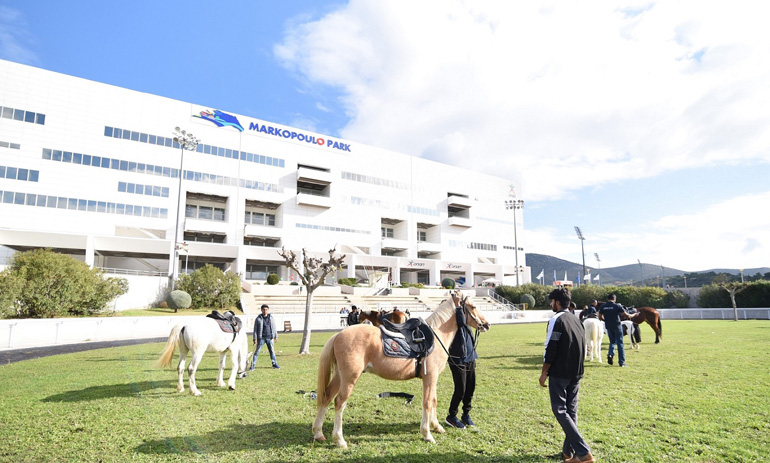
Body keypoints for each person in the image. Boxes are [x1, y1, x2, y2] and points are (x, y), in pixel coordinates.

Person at [540, 287, 594, 463]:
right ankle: (569, 453)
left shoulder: (556, 319)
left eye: (551, 301)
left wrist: (544, 372)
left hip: (560, 372)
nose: (551, 304)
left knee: (560, 410)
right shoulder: (576, 319)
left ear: (557, 302)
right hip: (576, 371)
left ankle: (584, 452)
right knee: (571, 411)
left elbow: (551, 347)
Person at [445, 303, 479, 429]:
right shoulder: (454, 318)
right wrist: (458, 305)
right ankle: (451, 416)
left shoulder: (465, 319)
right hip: (457, 358)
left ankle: (466, 414)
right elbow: (460, 321)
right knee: (461, 389)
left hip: (470, 356)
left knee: (470, 387)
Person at [598, 293, 627, 367]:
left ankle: (610, 354)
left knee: (612, 341)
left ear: (607, 299)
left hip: (608, 326)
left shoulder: (603, 306)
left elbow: (600, 316)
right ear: (614, 299)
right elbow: (626, 315)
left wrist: (605, 320)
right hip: (617, 326)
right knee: (620, 343)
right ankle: (622, 362)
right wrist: (634, 315)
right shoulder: (617, 306)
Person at [250, 304, 280, 370]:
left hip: (270, 337)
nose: (265, 311)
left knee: (272, 351)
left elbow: (274, 327)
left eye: (266, 309)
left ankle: (274, 364)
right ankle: (252, 365)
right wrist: (255, 338)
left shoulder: (271, 318)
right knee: (257, 352)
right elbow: (255, 329)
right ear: (261, 310)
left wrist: (276, 336)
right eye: (263, 310)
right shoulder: (258, 319)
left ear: (268, 310)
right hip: (261, 338)